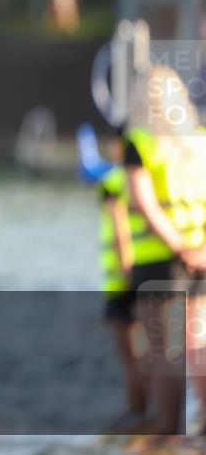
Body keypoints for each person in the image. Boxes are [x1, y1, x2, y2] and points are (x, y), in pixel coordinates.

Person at [124, 65, 206, 438]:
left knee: (165, 350)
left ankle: (169, 428)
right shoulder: (200, 140)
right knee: (199, 344)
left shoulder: (140, 142)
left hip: (161, 259)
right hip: (201, 257)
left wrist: (178, 247)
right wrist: (199, 249)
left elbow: (144, 204)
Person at [96, 161, 148, 431]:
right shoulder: (163, 170)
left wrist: (128, 274)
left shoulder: (114, 180)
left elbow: (119, 230)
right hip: (158, 271)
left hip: (124, 281)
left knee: (131, 356)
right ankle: (156, 413)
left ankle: (138, 411)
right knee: (156, 352)